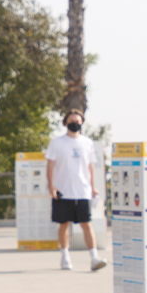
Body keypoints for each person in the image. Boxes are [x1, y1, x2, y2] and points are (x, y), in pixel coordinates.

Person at [45, 110, 104, 271]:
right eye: (71, 121)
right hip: (63, 191)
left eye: (78, 121)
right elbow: (50, 165)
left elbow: (90, 166)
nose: (75, 123)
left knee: (86, 224)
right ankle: (65, 256)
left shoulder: (87, 143)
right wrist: (52, 187)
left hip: (82, 191)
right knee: (64, 224)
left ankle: (94, 257)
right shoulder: (57, 143)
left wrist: (93, 187)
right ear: (65, 123)